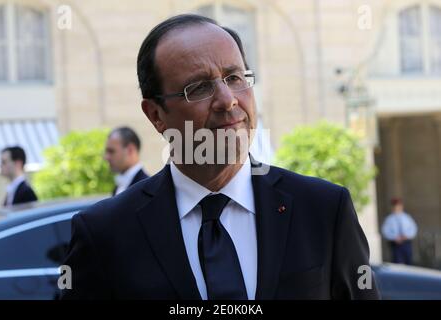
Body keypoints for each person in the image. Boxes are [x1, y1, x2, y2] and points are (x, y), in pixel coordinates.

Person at [62, 14, 379, 300]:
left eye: (234, 78)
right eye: (199, 88)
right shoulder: (105, 233)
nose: (228, 101)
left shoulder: (323, 211)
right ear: (156, 115)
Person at [104, 126, 149, 196]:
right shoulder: (118, 186)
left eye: (111, 151)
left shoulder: (147, 188)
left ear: (130, 150)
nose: (106, 157)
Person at [381, 198, 417, 265]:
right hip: (395, 244)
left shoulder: (407, 217)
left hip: (406, 242)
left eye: (398, 206)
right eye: (395, 206)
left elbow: (413, 229)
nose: (397, 208)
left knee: (408, 261)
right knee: (397, 262)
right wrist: (394, 238)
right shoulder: (389, 219)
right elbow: (385, 231)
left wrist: (406, 236)